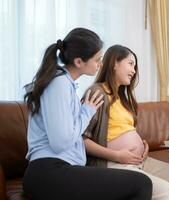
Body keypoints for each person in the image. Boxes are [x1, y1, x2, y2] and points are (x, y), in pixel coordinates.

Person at [23, 28, 152, 200]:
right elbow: (61, 143)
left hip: (62, 169)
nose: (100, 64)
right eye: (97, 59)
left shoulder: (66, 85)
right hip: (49, 172)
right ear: (78, 62)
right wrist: (87, 112)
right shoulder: (59, 84)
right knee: (141, 184)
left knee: (136, 184)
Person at [83, 44, 169, 200]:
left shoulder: (123, 98)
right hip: (114, 163)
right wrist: (117, 155)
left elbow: (122, 129)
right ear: (114, 63)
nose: (134, 71)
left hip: (140, 160)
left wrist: (142, 144)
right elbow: (81, 139)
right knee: (168, 194)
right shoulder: (97, 92)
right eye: (131, 64)